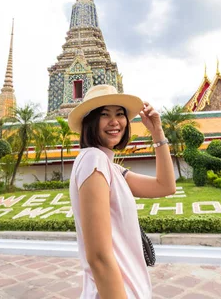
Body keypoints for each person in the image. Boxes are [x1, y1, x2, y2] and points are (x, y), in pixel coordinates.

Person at [68, 84, 176, 299]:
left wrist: (157, 132)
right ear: (90, 121)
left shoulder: (112, 168)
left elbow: (165, 186)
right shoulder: (94, 159)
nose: (114, 121)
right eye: (104, 114)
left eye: (120, 114)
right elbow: (98, 257)